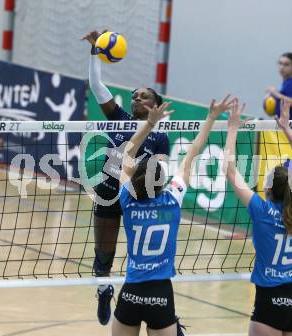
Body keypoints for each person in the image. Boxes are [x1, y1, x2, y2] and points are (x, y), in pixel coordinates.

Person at [114, 95, 235, 336]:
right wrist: (211, 118)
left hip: (131, 292)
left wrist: (149, 123)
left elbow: (126, 155)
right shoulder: (172, 199)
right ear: (161, 182)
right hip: (160, 294)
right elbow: (192, 154)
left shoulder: (127, 199)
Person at [82, 30, 170, 325]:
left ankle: (154, 308)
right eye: (134, 94)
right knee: (102, 259)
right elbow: (96, 85)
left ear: (155, 104)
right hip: (108, 192)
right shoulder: (120, 117)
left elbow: (161, 176)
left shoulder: (160, 137)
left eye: (143, 95)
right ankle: (104, 290)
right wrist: (95, 50)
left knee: (143, 261)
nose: (136, 97)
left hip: (137, 199)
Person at [224, 99, 292, 335]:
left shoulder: (261, 210)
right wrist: (287, 129)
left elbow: (230, 171)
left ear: (269, 190)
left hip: (269, 303)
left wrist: (232, 128)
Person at [266, 52, 292, 120]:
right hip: (285, 127)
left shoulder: (291, 84)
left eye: (286, 64)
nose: (282, 67)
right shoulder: (287, 82)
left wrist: (277, 94)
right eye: (280, 63)